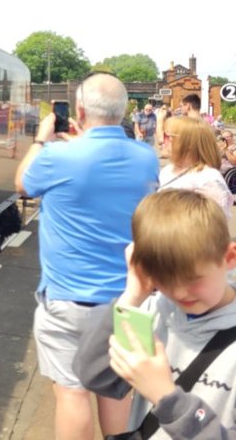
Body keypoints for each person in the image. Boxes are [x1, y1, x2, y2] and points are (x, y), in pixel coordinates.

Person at [15, 73, 159, 440]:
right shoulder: (146, 158)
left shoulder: (56, 155)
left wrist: (41, 138)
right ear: (125, 111)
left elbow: (22, 184)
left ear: (78, 110)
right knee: (117, 391)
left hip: (68, 300)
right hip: (128, 299)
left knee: (71, 392)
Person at [75, 190, 236, 439]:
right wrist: (132, 296)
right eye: (165, 279)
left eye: (193, 279)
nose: (180, 292)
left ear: (229, 257)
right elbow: (97, 377)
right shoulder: (154, 310)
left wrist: (166, 397)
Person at [159, 116, 233, 222]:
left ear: (188, 143)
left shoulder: (208, 180)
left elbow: (215, 227)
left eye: (167, 136)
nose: (161, 141)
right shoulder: (167, 170)